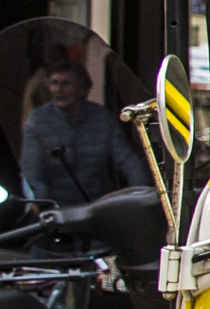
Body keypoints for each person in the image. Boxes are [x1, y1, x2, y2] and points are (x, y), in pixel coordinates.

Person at [20, 64, 148, 208]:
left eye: (66, 83)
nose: (59, 89)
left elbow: (127, 161)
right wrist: (42, 203)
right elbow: (32, 171)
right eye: (54, 83)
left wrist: (141, 195)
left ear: (82, 89)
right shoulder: (37, 120)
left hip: (96, 208)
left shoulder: (102, 118)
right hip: (56, 209)